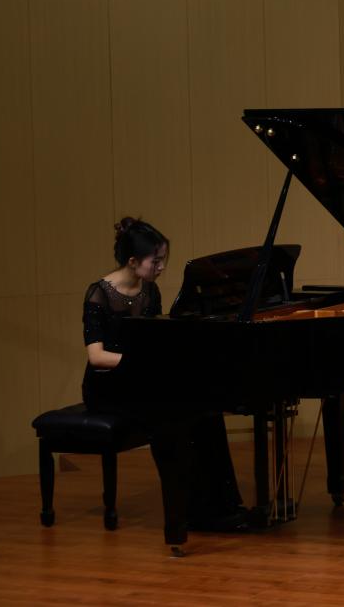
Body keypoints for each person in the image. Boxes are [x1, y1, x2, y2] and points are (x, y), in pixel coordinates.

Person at [83, 217, 246, 553]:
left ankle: (217, 508)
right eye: (155, 261)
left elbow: (153, 342)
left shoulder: (150, 291)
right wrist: (140, 363)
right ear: (133, 261)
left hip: (140, 380)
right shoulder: (98, 294)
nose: (161, 268)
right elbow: (97, 356)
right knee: (169, 420)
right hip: (107, 387)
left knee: (206, 410)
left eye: (163, 260)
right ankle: (179, 518)